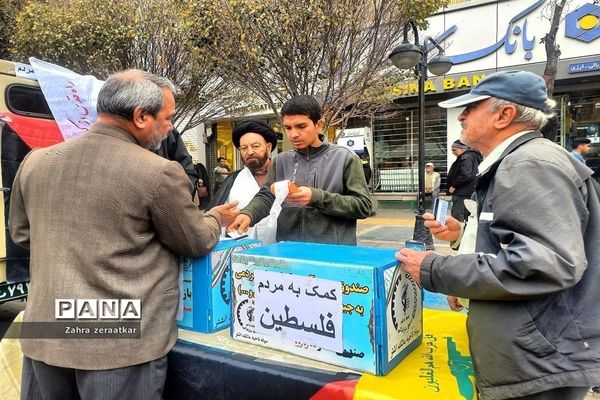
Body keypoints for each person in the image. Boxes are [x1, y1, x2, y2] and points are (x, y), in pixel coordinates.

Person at [9, 69, 239, 400]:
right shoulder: (158, 171)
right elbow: (196, 241)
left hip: (46, 327)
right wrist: (215, 216)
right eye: (167, 117)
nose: (170, 126)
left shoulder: (36, 161)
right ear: (141, 116)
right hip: (116, 335)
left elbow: (22, 233)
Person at [396, 70, 600, 400]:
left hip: (539, 361)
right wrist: (462, 236)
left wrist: (437, 270)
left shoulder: (528, 164)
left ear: (504, 115)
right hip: (536, 354)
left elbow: (547, 263)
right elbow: (515, 241)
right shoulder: (521, 160)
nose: (461, 116)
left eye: (472, 108)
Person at [228, 95, 373, 245]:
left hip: (332, 254)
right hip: (289, 251)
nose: (293, 134)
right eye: (288, 128)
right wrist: (248, 213)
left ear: (319, 124)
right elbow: (267, 196)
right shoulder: (282, 160)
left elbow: (363, 206)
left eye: (301, 126)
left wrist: (316, 197)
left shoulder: (345, 157)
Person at [208, 120, 277, 243]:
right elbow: (220, 217)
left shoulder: (284, 174)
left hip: (282, 250)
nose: (250, 152)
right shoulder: (233, 180)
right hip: (243, 251)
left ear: (268, 147)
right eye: (244, 148)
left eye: (255, 146)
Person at [446, 139, 481, 221]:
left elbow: (465, 175)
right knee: (466, 216)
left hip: (462, 193)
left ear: (463, 149)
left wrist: (454, 185)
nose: (453, 152)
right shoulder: (472, 157)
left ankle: (459, 233)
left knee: (458, 216)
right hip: (468, 191)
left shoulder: (466, 157)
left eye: (454, 150)